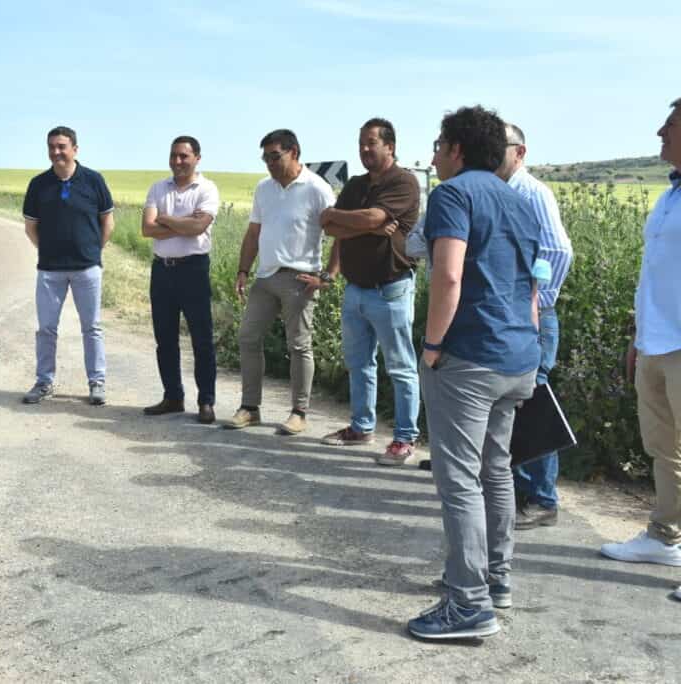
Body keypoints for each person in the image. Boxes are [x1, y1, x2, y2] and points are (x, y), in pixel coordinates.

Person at [409, 106, 543, 640]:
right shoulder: (520, 200)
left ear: (458, 150)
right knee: (496, 471)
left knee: (459, 479)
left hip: (469, 356)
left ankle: (468, 604)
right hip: (517, 356)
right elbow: (535, 287)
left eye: (439, 145)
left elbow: (448, 275)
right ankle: (496, 580)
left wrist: (433, 345)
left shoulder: (453, 194)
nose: (436, 155)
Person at [600, 99, 681, 604]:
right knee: (664, 449)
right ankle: (665, 536)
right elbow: (657, 275)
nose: (659, 131)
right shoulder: (669, 196)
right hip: (657, 341)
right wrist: (638, 335)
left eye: (670, 125)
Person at [318, 118, 422, 466]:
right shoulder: (357, 184)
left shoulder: (403, 182)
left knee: (400, 367)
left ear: (390, 146)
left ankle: (405, 439)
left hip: (390, 288)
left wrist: (350, 219)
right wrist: (360, 222)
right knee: (359, 363)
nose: (364, 149)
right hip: (356, 289)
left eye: (371, 143)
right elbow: (331, 224)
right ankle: (362, 428)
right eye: (361, 143)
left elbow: (368, 218)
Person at [226, 129, 337, 435]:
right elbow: (253, 233)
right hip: (265, 276)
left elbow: (340, 233)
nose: (269, 164)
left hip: (300, 279)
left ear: (294, 153)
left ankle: (299, 412)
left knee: (299, 346)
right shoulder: (264, 189)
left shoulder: (317, 188)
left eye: (275, 156)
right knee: (248, 337)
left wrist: (327, 276)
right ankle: (250, 408)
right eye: (265, 158)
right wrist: (243, 270)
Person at [495, 123, 574, 530]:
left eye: (500, 145)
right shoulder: (501, 190)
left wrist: (536, 302)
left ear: (519, 151)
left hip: (532, 318)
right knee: (516, 401)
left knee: (532, 403)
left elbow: (559, 250)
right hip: (514, 316)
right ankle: (522, 491)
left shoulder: (531, 192)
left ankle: (543, 499)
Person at [21, 126, 114, 406]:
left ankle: (97, 383)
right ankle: (44, 382)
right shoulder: (38, 184)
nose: (56, 152)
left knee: (92, 327)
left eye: (61, 146)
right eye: (51, 147)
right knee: (46, 328)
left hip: (87, 268)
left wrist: (92, 251)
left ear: (75, 148)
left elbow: (107, 223)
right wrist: (49, 250)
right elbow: (30, 227)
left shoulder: (93, 181)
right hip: (50, 270)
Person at [140, 136, 220, 424]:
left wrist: (167, 219)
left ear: (197, 157)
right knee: (165, 338)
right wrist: (184, 224)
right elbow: (147, 229)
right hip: (162, 270)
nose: (177, 161)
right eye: (173, 155)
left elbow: (199, 226)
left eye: (184, 156)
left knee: (201, 338)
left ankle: (206, 402)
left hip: (193, 269)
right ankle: (173, 397)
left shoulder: (207, 188)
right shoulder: (158, 187)